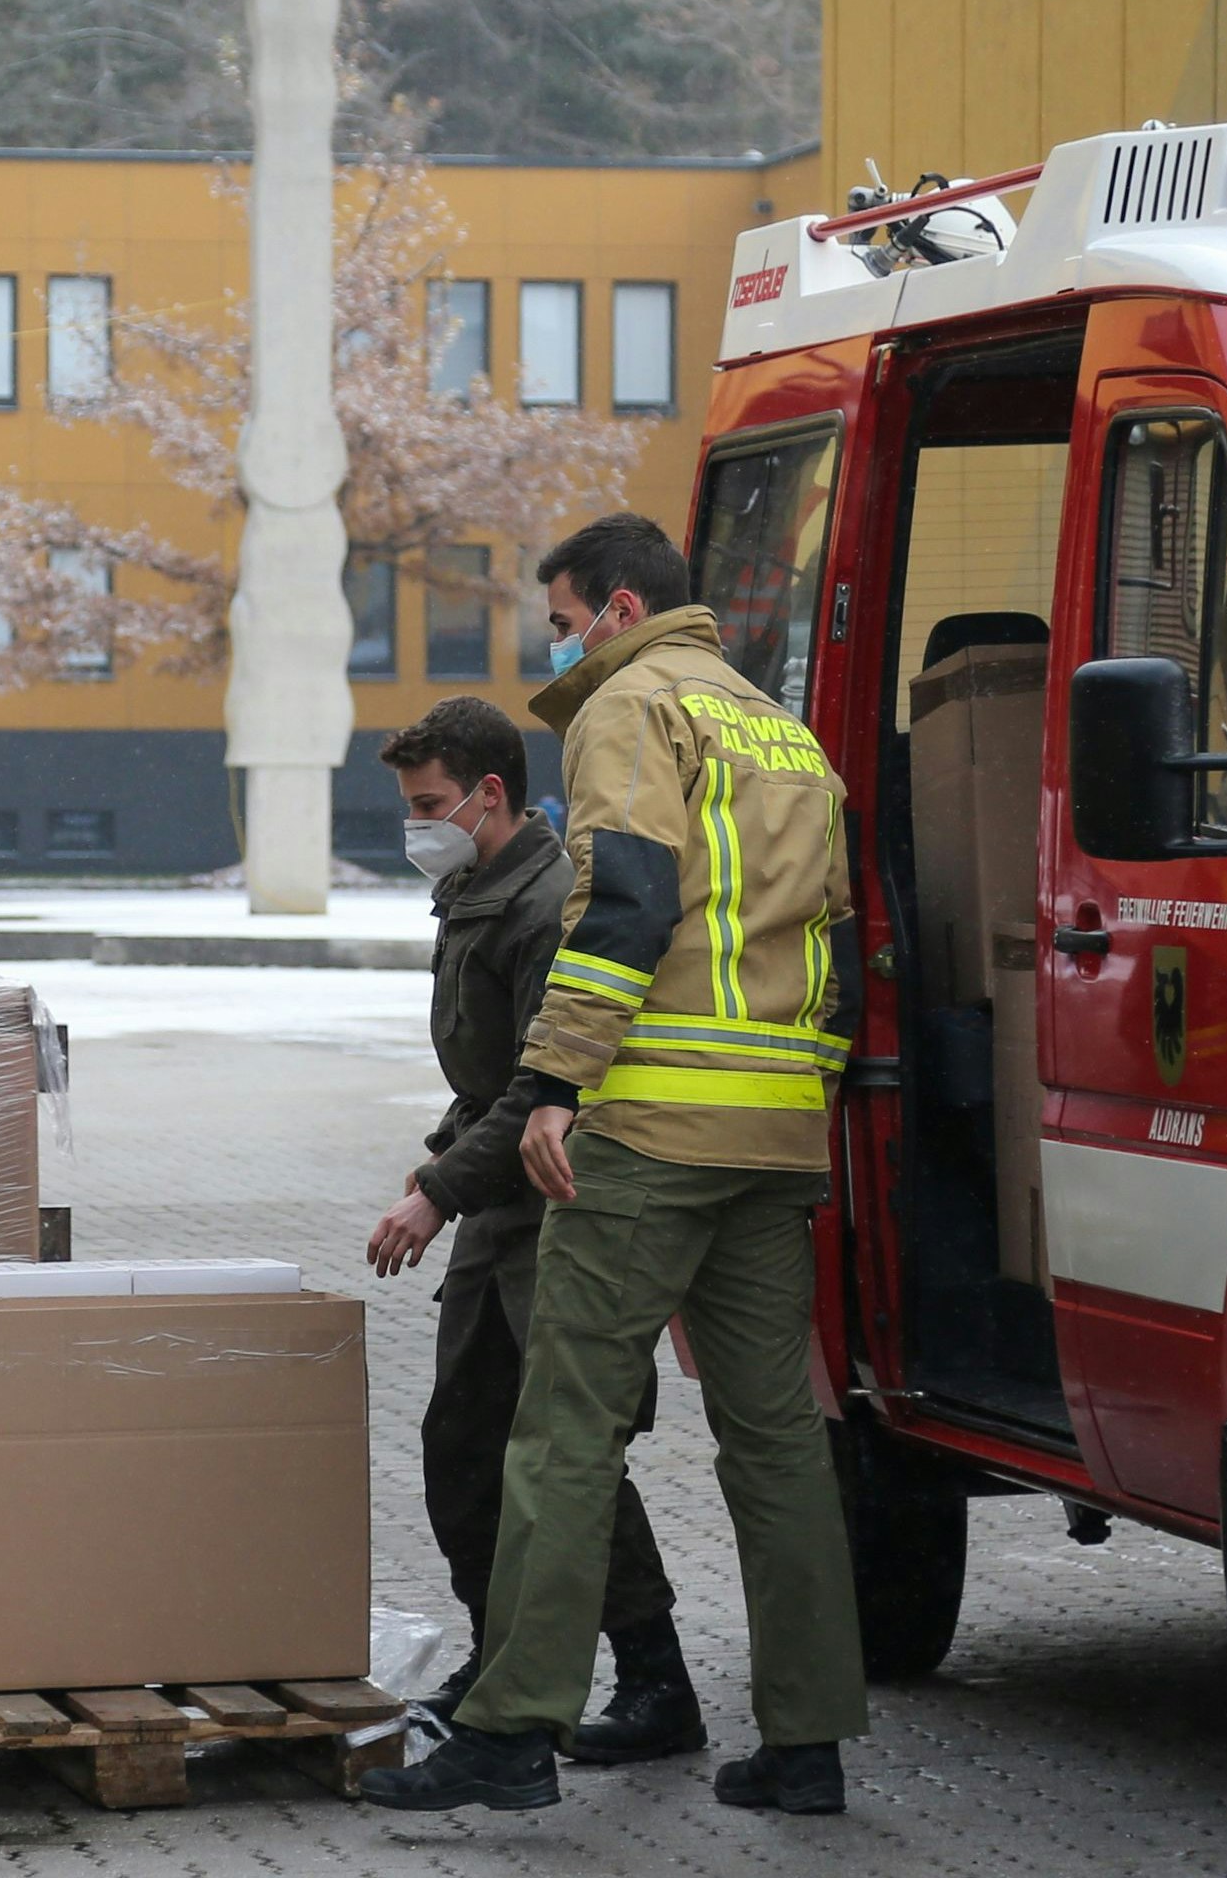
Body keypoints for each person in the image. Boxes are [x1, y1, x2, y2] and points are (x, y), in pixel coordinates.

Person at [365, 513, 868, 1817]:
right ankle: (806, 1744)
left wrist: (556, 1082)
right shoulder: (785, 730)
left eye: (568, 617)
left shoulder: (630, 710)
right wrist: (804, 1100)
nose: (562, 644)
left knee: (562, 1432)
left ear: (625, 609)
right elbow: (839, 946)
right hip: (773, 1135)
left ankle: (514, 1730)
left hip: (646, 1133)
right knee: (777, 1447)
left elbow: (628, 900)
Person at [366, 696, 702, 1767]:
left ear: (489, 794)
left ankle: (655, 1678)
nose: (416, 824)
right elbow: (484, 1081)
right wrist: (442, 1164)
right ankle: (496, 1655)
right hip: (493, 1204)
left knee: (566, 1457)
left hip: (551, 1206)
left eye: (429, 804)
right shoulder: (476, 887)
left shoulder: (544, 902)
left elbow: (541, 1083)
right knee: (462, 1446)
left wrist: (434, 1189)